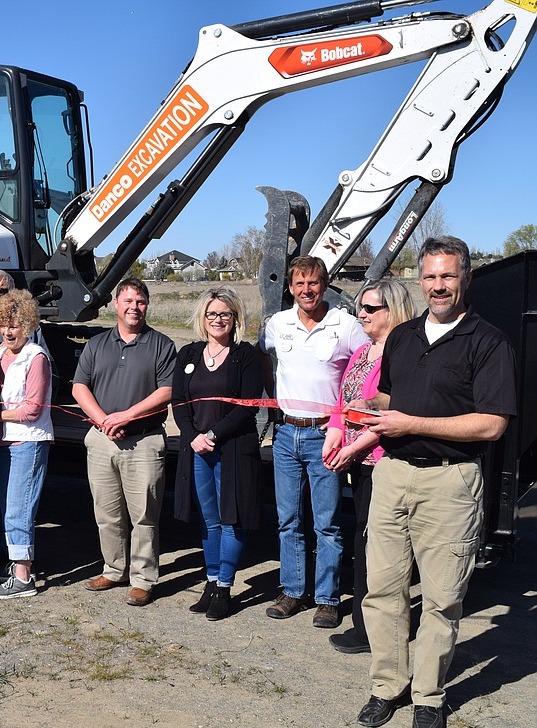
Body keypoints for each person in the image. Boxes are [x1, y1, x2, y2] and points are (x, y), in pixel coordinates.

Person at [354, 236, 515, 728]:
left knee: (443, 597)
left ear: (466, 277)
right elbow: (389, 395)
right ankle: (388, 686)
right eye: (430, 276)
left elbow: (491, 425)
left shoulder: (488, 342)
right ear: (419, 279)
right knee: (382, 589)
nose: (438, 286)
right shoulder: (402, 338)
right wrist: (360, 417)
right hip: (393, 474)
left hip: (450, 481)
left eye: (448, 276)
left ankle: (428, 695)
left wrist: (410, 422)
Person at [259, 255, 367, 628]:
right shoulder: (278, 324)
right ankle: (292, 591)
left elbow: (367, 369)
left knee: (328, 523)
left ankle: (327, 599)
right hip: (286, 433)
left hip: (327, 436)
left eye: (314, 283)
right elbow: (263, 357)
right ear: (290, 287)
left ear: (325, 285)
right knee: (288, 519)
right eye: (300, 283)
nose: (307, 290)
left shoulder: (347, 325)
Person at [322, 279, 416, 653]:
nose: (360, 313)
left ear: (392, 310)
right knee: (364, 543)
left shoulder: (400, 354)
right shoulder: (364, 351)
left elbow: (392, 414)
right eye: (361, 306)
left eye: (370, 308)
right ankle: (366, 624)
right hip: (359, 463)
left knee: (377, 549)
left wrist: (353, 447)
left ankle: (374, 631)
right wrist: (334, 432)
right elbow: (343, 400)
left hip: (381, 462)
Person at [72, 278, 176, 607]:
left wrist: (127, 415)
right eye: (128, 300)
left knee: (144, 515)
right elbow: (79, 387)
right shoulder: (97, 344)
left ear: (147, 305)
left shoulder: (161, 345)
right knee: (107, 513)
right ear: (116, 304)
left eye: (141, 301)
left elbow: (166, 391)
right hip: (102, 440)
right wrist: (105, 419)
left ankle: (144, 578)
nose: (135, 307)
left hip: (143, 441)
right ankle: (114, 569)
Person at [171, 287, 263, 621]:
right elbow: (178, 401)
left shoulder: (245, 356)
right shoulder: (189, 354)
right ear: (203, 318)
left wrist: (212, 434)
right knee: (209, 521)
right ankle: (210, 582)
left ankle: (225, 587)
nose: (218, 320)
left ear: (234, 317)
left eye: (224, 314)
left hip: (232, 449)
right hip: (197, 450)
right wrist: (193, 436)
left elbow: (248, 407)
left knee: (231, 519)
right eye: (212, 314)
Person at [0, 269, 48, 565]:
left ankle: (18, 565)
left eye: (4, 291)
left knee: (16, 503)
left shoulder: (32, 341)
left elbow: (38, 376)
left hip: (18, 432)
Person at [0, 289, 53, 600]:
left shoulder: (36, 357)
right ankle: (16, 565)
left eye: (15, 325)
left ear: (27, 325)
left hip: (28, 441)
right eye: (4, 325)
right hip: (4, 443)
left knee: (19, 509)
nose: (8, 331)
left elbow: (32, 409)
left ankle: (24, 577)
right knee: (7, 508)